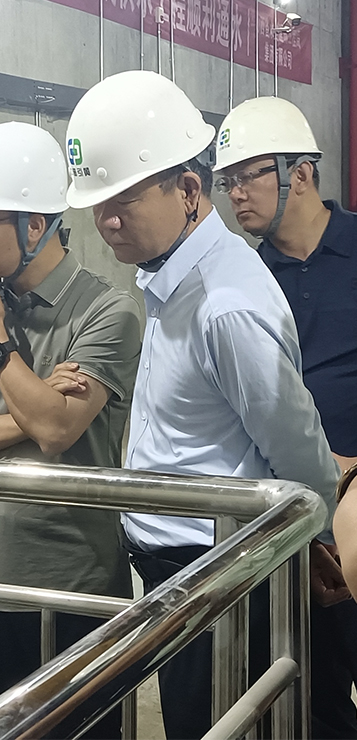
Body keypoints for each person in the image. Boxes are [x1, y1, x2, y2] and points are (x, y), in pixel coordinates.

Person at [64, 70, 341, 740]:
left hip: (217, 576)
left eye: (123, 201)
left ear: (188, 190)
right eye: (97, 204)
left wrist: (319, 537)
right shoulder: (175, 275)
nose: (106, 222)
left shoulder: (225, 303)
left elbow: (296, 443)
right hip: (182, 572)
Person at [0, 122, 139, 738]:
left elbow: (56, 432)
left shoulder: (108, 311)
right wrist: (33, 407)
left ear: (35, 226)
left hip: (72, 589)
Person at [216, 95, 357, 738]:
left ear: (299, 174)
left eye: (247, 176)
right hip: (290, 522)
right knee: (310, 699)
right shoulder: (242, 277)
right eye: (227, 181)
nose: (235, 195)